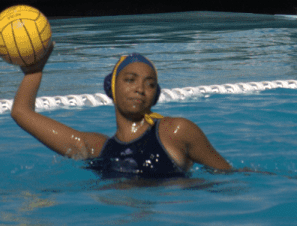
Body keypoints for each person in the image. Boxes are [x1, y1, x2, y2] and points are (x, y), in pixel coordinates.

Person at [12, 46, 235, 178]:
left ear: (155, 95)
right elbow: (21, 112)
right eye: (130, 80)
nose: (140, 88)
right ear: (112, 88)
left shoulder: (175, 132)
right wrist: (34, 70)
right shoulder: (96, 147)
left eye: (149, 84)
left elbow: (229, 178)